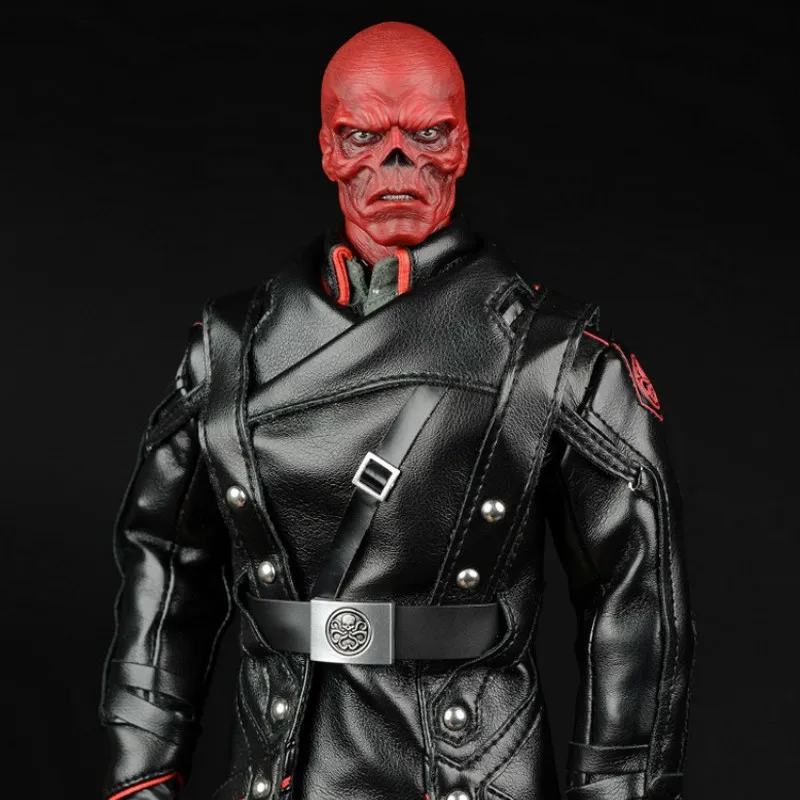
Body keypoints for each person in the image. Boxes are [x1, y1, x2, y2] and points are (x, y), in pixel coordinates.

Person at [100, 21, 695, 800]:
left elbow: (638, 603)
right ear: (327, 150)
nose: (395, 163)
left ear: (462, 145)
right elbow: (164, 557)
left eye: (427, 135)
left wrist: (621, 788)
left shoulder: (556, 356)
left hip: (467, 773)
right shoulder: (230, 349)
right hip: (282, 769)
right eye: (363, 137)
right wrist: (140, 770)